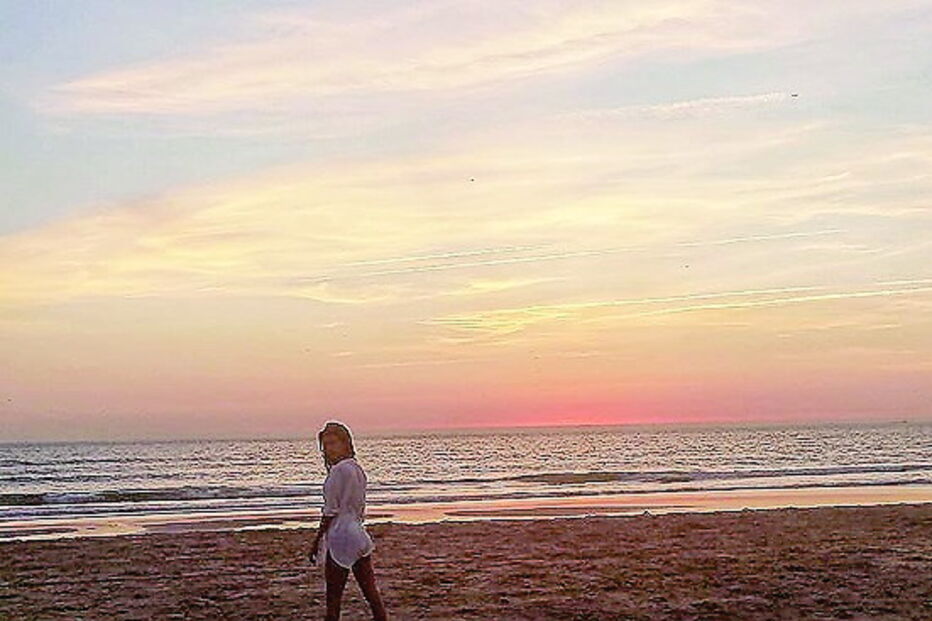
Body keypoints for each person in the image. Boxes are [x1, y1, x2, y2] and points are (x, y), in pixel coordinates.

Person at [310, 421, 388, 621]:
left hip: (341, 535)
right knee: (371, 592)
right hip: (358, 532)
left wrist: (317, 540)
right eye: (326, 444)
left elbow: (330, 512)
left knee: (334, 598)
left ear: (346, 443)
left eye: (334, 443)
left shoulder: (337, 472)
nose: (329, 449)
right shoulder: (357, 469)